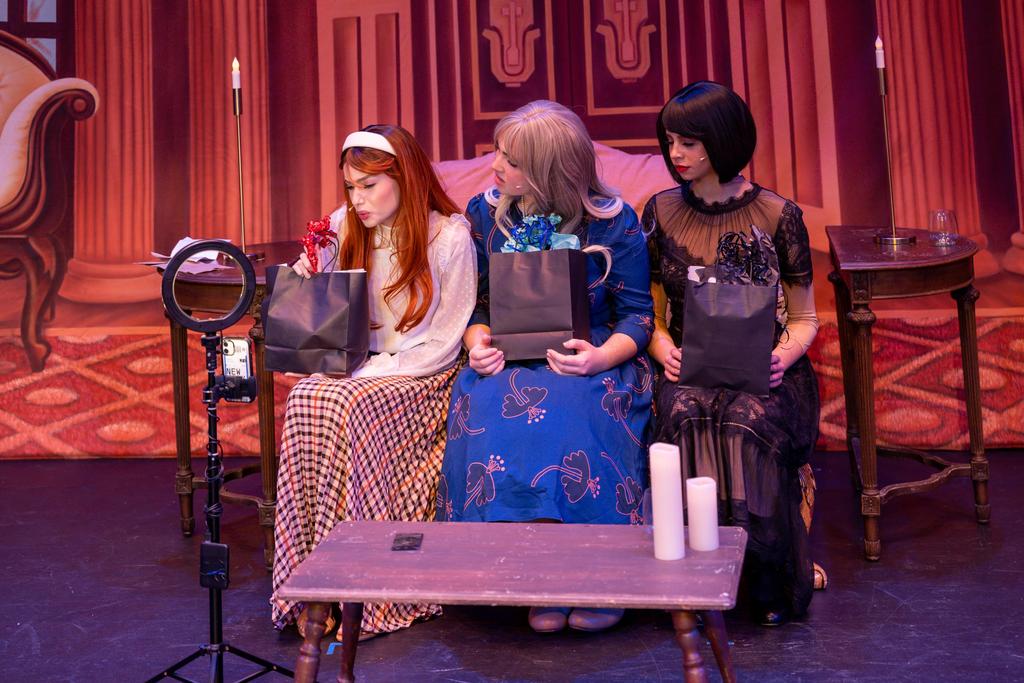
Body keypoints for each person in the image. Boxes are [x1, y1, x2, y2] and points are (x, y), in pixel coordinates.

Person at [436, 100, 654, 633]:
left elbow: (638, 316)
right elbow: (476, 306)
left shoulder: (614, 221)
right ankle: (534, 574)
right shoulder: (485, 215)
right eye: (498, 153)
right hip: (508, 355)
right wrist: (477, 343)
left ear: (548, 170)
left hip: (592, 355)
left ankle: (600, 575)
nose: (495, 166)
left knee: (572, 413)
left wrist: (600, 357)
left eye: (510, 160)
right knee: (494, 410)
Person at [271, 124, 477, 638]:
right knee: (305, 398)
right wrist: (310, 274)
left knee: (347, 403)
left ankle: (360, 591)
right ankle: (312, 584)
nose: (357, 199)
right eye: (350, 187)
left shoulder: (448, 237)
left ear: (404, 178)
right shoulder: (346, 225)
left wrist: (370, 373)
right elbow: (324, 304)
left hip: (422, 376)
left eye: (368, 185)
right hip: (360, 369)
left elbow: (445, 340)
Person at [643, 81, 820, 626]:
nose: (676, 154)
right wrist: (664, 349)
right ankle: (694, 573)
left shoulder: (777, 214)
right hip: (690, 364)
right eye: (670, 141)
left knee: (748, 419)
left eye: (689, 143)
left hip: (765, 365)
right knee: (685, 412)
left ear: (722, 141)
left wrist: (781, 358)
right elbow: (649, 312)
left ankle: (764, 572)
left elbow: (805, 318)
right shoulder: (659, 211)